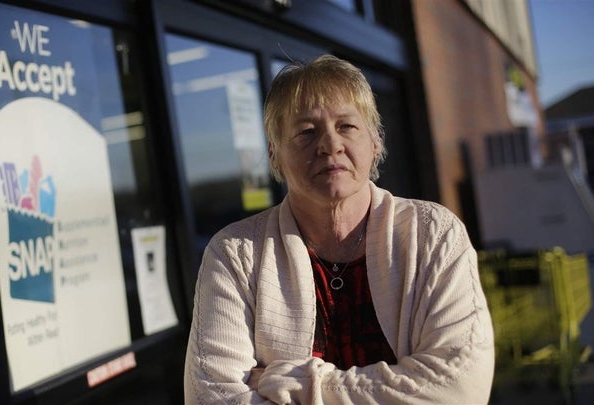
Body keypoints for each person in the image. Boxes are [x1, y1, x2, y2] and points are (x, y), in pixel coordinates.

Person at [184, 54, 494, 404]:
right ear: (274, 156)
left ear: (374, 142)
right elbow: (210, 398)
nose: (330, 145)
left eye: (346, 126)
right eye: (305, 132)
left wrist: (302, 383)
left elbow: (458, 389)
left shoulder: (434, 234)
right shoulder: (235, 253)